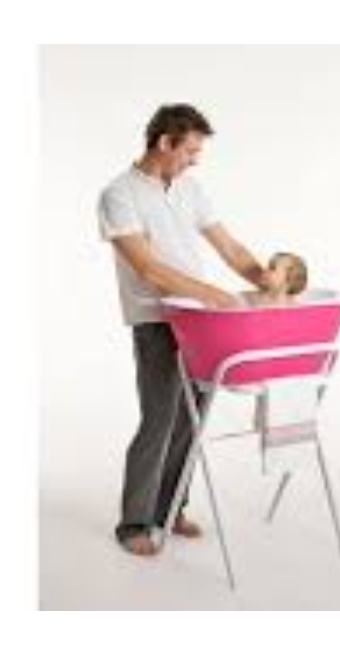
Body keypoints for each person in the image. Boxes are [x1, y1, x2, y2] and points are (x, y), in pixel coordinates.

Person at [97, 103, 270, 557]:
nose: (195, 159)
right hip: (156, 319)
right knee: (160, 419)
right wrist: (214, 294)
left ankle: (170, 508)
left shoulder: (191, 189)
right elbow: (148, 268)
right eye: (190, 150)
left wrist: (264, 279)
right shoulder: (119, 195)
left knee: (192, 417)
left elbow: (229, 247)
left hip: (201, 321)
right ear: (164, 142)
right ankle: (134, 522)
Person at [239, 252, 308, 306]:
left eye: (272, 268)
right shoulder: (253, 298)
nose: (265, 270)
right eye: (268, 267)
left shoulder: (294, 305)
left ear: (289, 277)